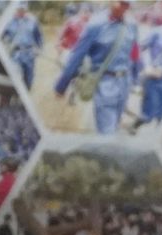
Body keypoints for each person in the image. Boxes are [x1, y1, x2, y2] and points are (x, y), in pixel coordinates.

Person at [55, 0, 139, 136]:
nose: (124, 7)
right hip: (105, 83)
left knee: (115, 124)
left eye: (127, 4)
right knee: (107, 133)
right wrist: (61, 85)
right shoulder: (95, 25)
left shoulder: (131, 25)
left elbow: (134, 53)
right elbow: (77, 56)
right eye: (121, 3)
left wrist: (136, 80)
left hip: (124, 83)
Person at [4, 3, 41, 88]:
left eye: (23, 9)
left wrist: (39, 48)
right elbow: (1, 36)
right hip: (15, 53)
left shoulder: (33, 21)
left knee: (29, 77)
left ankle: (27, 90)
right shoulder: (9, 21)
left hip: (29, 53)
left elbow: (38, 36)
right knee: (15, 75)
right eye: (19, 9)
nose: (21, 11)